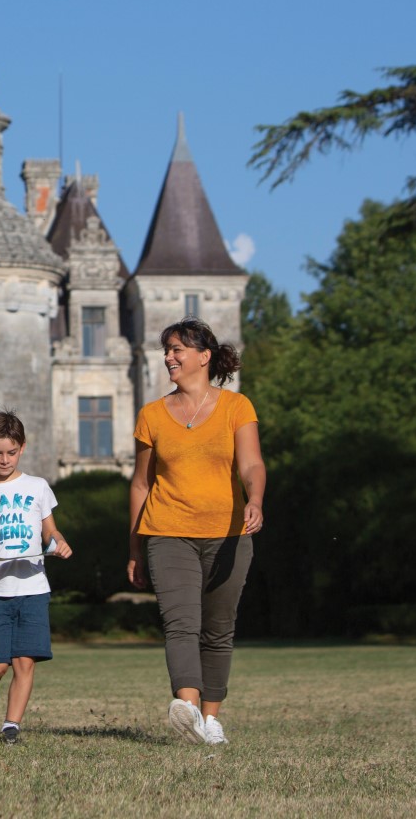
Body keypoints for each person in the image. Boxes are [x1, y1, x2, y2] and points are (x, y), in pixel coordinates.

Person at [127, 318, 266, 747]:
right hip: (167, 531)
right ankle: (186, 707)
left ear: (204, 357)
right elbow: (140, 484)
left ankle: (211, 719)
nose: (168, 357)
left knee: (218, 629)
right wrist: (134, 545)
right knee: (180, 623)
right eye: (166, 349)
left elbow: (251, 464)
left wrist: (255, 498)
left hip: (229, 533)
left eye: (176, 349)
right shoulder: (151, 414)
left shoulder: (236, 407)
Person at [0, 411, 72, 745]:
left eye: (10, 452)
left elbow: (50, 532)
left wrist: (59, 544)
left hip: (34, 588)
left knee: (25, 661)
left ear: (22, 448)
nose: (4, 459)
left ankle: (11, 726)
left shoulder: (38, 487)